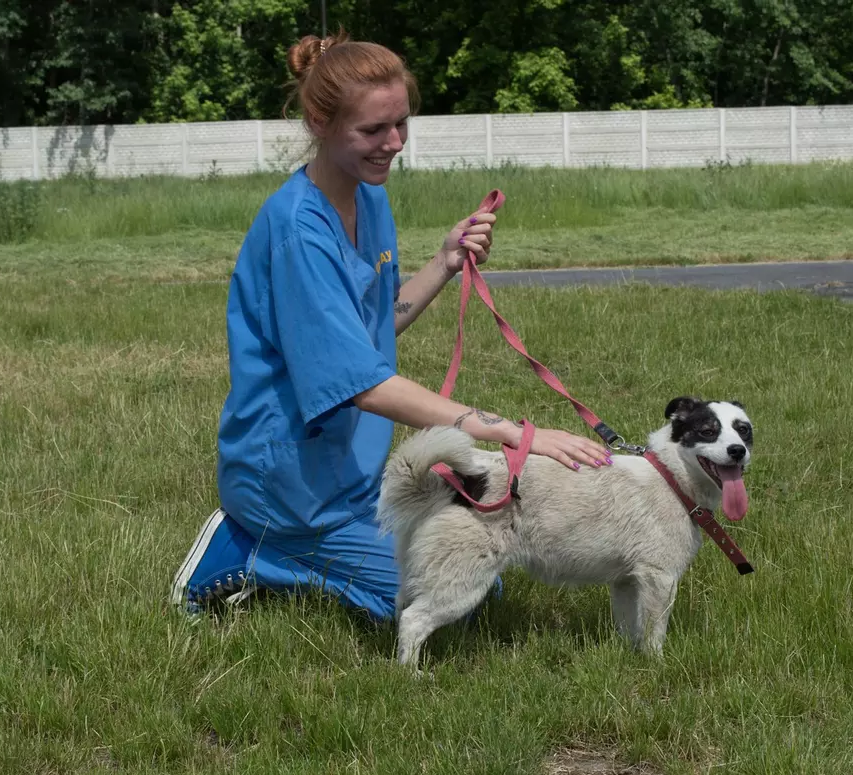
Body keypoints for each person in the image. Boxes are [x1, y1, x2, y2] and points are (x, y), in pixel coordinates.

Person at [170, 30, 612, 623]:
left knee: (474, 584)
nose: (394, 144)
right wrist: (511, 432)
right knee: (448, 599)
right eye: (373, 130)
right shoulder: (299, 230)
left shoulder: (366, 195)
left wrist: (445, 262)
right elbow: (361, 382)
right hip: (289, 485)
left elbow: (372, 329)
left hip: (349, 474)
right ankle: (251, 546)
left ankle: (298, 549)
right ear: (320, 123)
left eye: (401, 124)